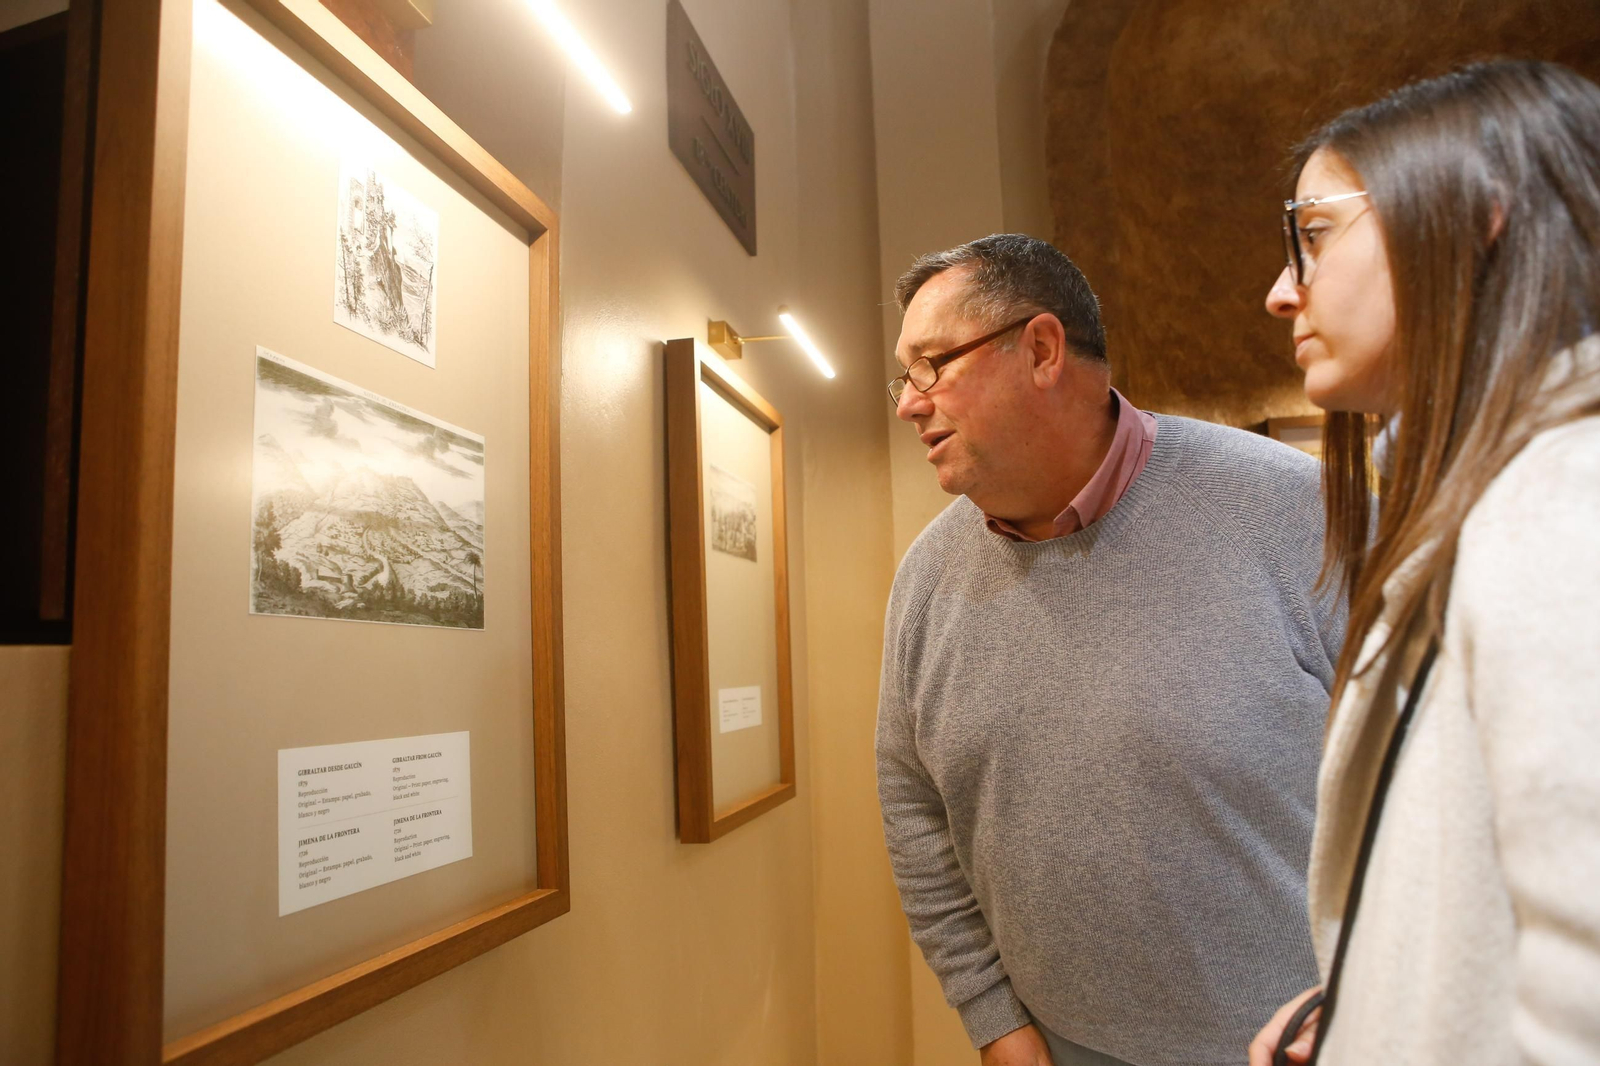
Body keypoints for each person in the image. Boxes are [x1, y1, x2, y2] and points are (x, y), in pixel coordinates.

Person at [876, 233, 1345, 1066]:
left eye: (931, 365)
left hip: (1310, 1042)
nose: (910, 403)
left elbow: (1433, 776)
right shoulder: (925, 578)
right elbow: (914, 809)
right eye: (905, 377)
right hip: (1060, 1049)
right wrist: (994, 1019)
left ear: (1043, 349)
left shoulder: (1296, 512)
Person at [1251, 60, 1600, 1066]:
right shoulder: (1495, 498)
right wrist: (1364, 1008)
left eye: (1312, 236)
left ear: (1477, 217)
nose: (1282, 291)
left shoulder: (1558, 504)